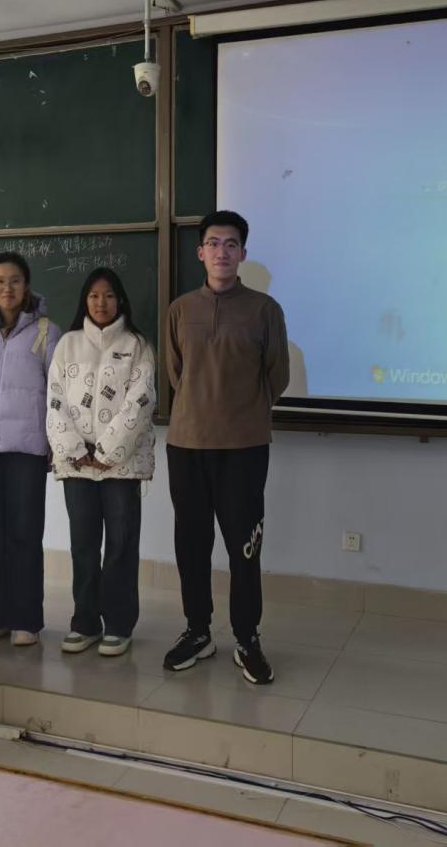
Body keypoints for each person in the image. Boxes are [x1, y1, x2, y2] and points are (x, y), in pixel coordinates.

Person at [163, 210, 290, 685]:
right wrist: (202, 410)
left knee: (244, 548)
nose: (222, 251)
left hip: (244, 448)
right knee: (192, 545)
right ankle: (198, 630)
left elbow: (277, 375)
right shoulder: (180, 310)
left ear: (243, 253)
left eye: (231, 244)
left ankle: (247, 637)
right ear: (201, 252)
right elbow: (176, 373)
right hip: (187, 445)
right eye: (213, 243)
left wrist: (240, 412)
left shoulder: (264, 309)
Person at [47, 268, 155, 657]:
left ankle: (119, 625)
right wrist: (76, 450)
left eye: (108, 295)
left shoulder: (137, 345)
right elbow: (55, 400)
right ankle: (86, 623)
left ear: (120, 299)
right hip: (76, 463)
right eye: (93, 296)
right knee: (84, 546)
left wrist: (107, 452)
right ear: (84, 301)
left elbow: (141, 401)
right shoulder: (68, 344)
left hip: (121, 466)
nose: (101, 302)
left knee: (121, 545)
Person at [0, 251, 61, 648]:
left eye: (15, 280)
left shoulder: (46, 331)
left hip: (28, 448)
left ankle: (26, 621)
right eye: (0, 280)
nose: (7, 288)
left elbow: (57, 392)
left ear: (27, 284)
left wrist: (52, 441)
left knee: (25, 534)